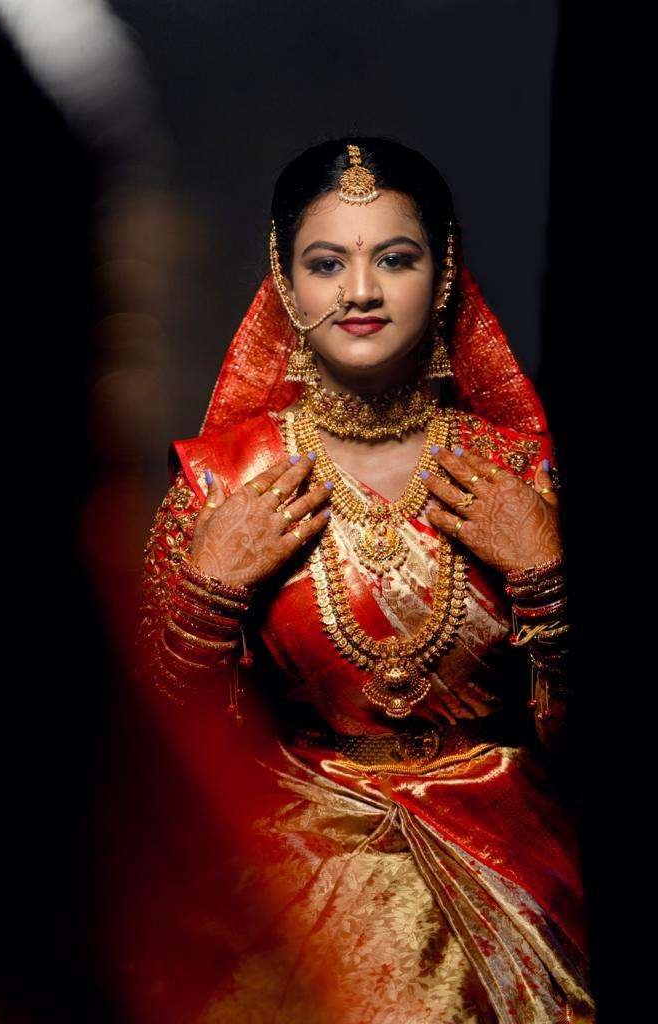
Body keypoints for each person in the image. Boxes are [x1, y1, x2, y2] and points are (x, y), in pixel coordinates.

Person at [135, 137, 595, 1024]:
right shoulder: (222, 485)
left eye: (394, 258)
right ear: (284, 281)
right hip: (288, 896)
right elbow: (155, 764)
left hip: (514, 872)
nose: (358, 292)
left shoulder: (520, 478)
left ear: (443, 275)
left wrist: (547, 577)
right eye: (325, 263)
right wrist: (206, 595)